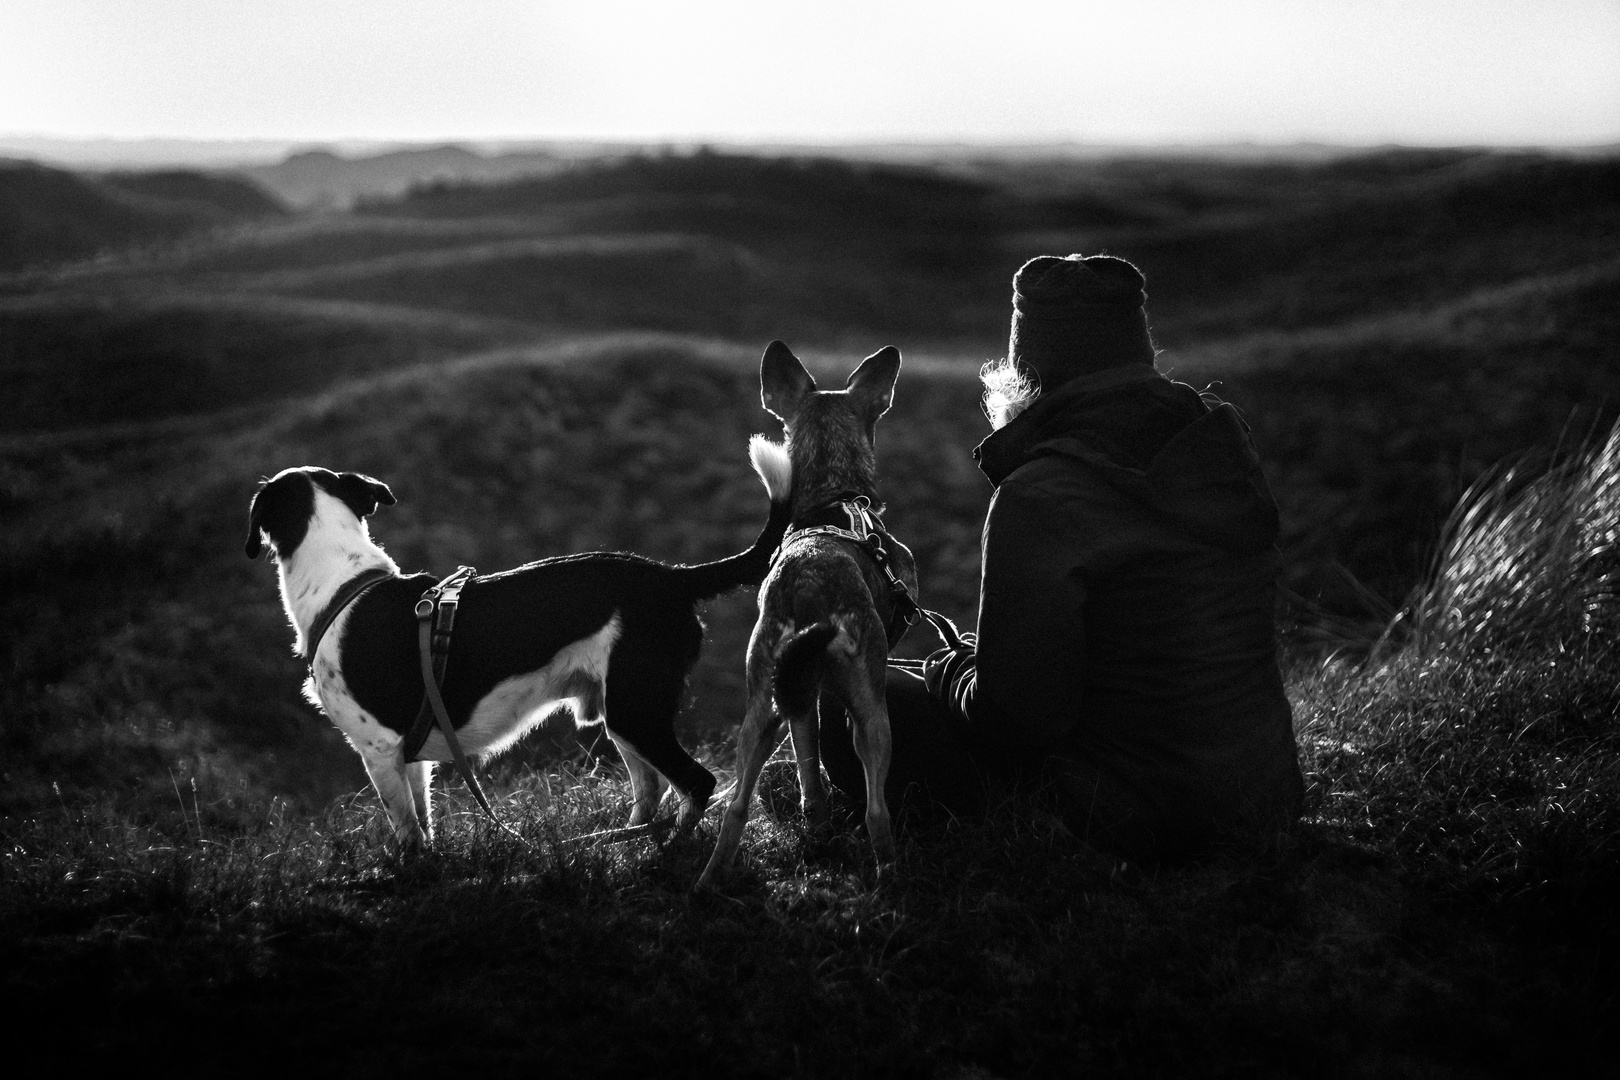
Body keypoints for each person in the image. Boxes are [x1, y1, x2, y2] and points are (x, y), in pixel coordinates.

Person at [815, 253, 1304, 860]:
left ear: (1027, 374)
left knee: (844, 690)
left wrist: (954, 672)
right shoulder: (1221, 446)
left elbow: (1016, 726)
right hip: (1264, 791)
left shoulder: (1042, 493)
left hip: (1128, 815)